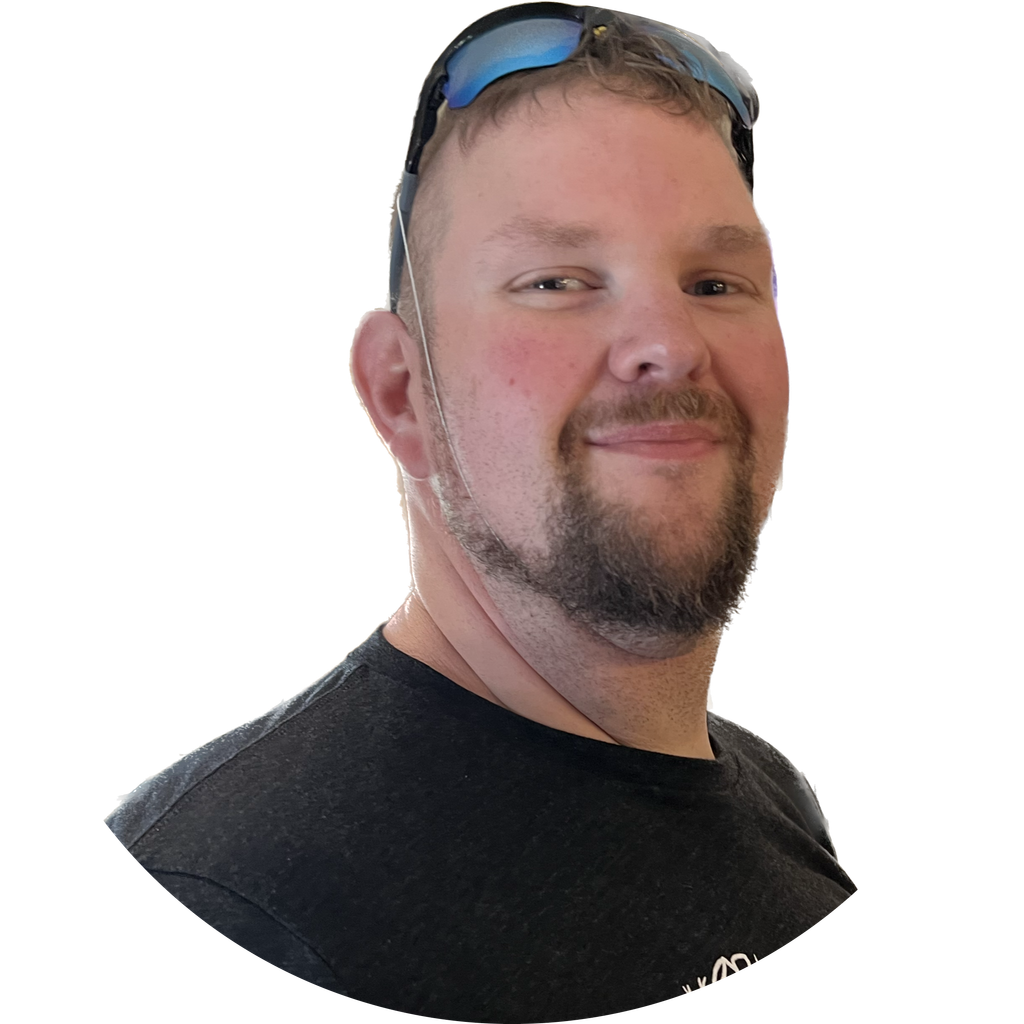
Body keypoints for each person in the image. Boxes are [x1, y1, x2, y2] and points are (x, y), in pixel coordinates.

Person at [103, 7, 855, 1017]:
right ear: (401, 394)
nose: (671, 344)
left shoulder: (764, 783)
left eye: (716, 282)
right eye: (556, 280)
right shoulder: (238, 900)